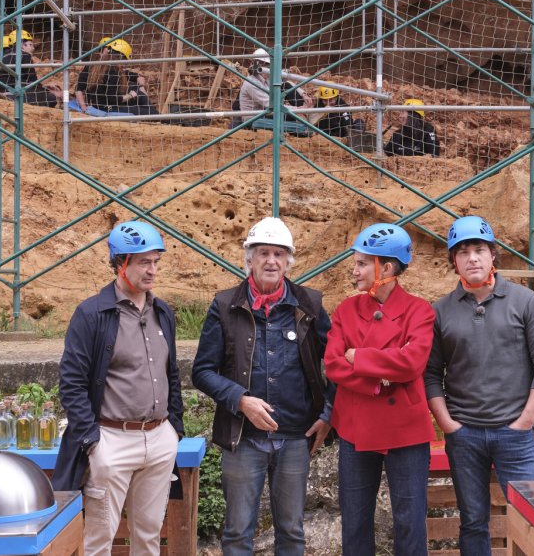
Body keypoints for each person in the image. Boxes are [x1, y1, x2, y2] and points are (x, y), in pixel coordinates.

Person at [191, 216, 334, 556]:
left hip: (296, 437)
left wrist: (328, 413)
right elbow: (202, 371)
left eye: (279, 254)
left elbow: (338, 364)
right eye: (263, 253)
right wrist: (241, 400)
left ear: (288, 261)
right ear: (250, 259)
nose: (271, 261)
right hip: (243, 438)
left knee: (292, 532)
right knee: (237, 532)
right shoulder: (225, 305)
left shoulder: (310, 305)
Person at [425, 216, 534, 556]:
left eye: (479, 250)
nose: (472, 258)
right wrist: (447, 424)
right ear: (454, 260)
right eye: (463, 252)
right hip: (464, 436)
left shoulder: (526, 302)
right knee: (473, 521)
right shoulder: (440, 312)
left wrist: (524, 422)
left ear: (493, 255)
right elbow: (430, 373)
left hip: (515, 435)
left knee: (532, 518)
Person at [54, 220, 184, 556]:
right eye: (144, 262)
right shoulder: (92, 314)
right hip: (111, 439)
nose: (152, 270)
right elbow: (71, 382)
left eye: (156, 261)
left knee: (149, 537)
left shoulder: (162, 312)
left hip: (159, 438)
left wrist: (174, 429)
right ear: (121, 263)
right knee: (99, 540)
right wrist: (92, 441)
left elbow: (171, 372)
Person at [324, 223, 435, 556]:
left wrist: (358, 357)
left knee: (410, 520)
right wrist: (380, 378)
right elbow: (333, 364)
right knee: (355, 520)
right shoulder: (345, 310)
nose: (354, 271)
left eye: (361, 264)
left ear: (385, 268)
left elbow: (412, 363)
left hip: (406, 431)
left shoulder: (420, 310)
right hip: (355, 427)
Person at [0, 29, 61, 108]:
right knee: (51, 98)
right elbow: (32, 79)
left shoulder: (2, 58)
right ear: (22, 45)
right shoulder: (25, 56)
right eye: (30, 45)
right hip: (15, 89)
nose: (33, 48)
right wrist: (44, 89)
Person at [71, 36, 155, 116]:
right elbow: (79, 89)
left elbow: (129, 75)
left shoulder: (113, 69)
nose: (107, 52)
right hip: (107, 107)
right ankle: (156, 116)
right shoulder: (97, 69)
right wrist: (83, 107)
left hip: (112, 104)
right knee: (146, 109)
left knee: (139, 94)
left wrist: (140, 82)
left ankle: (155, 114)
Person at [237, 49, 311, 126]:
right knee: (291, 116)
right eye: (268, 66)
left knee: (286, 88)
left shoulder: (265, 79)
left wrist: (303, 94)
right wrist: (297, 110)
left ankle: (305, 113)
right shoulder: (252, 83)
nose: (271, 68)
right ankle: (304, 116)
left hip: (263, 113)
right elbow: (271, 105)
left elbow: (286, 84)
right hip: (253, 119)